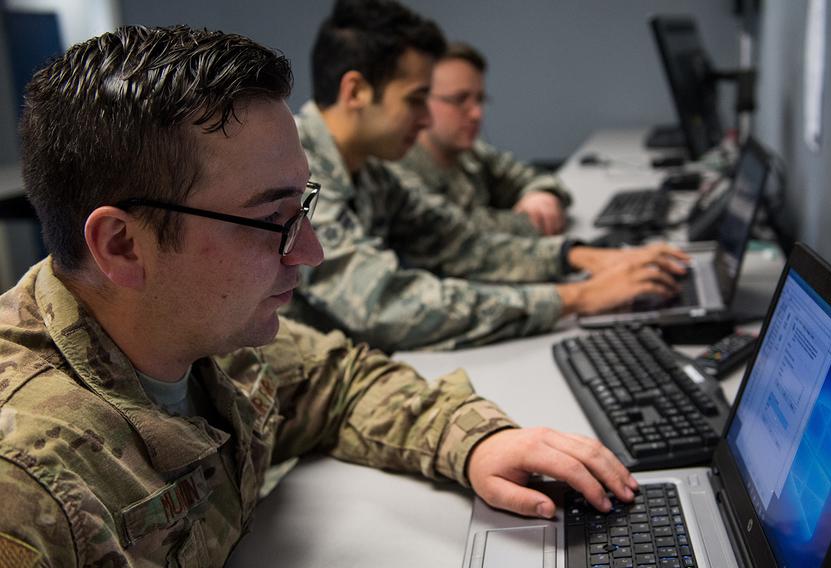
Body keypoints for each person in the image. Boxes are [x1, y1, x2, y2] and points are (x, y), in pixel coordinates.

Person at [0, 25, 640, 567]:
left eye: (302, 206)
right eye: (273, 218)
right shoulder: (28, 488)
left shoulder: (198, 332)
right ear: (122, 247)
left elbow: (339, 378)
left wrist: (474, 441)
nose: (310, 251)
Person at [291, 0, 689, 352]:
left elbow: (464, 245)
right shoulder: (293, 172)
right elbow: (386, 305)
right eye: (416, 100)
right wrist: (576, 297)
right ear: (356, 91)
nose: (428, 118)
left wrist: (580, 257)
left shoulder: (370, 168)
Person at [390, 41, 570, 237]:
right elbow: (462, 234)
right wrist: (533, 220)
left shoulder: (471, 153)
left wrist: (541, 195)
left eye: (480, 99)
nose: (477, 113)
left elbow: (530, 176)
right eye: (459, 99)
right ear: (421, 100)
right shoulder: (398, 171)